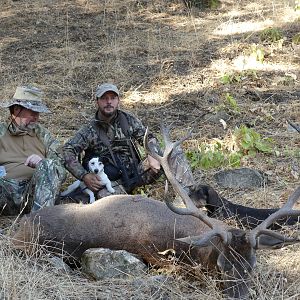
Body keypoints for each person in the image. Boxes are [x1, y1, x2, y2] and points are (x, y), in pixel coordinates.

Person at [62, 83, 163, 197]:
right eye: (104, 98)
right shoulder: (89, 130)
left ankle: (185, 195)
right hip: (110, 184)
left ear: (118, 100)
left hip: (138, 173)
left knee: (171, 153)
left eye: (113, 98)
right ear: (97, 101)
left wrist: (152, 153)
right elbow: (67, 149)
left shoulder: (128, 120)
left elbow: (149, 138)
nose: (109, 102)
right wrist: (84, 176)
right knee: (106, 202)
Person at [0, 85, 66, 215]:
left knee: (49, 165)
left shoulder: (43, 135)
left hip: (35, 195)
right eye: (32, 112)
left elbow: (61, 170)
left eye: (38, 112)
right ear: (16, 109)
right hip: (4, 193)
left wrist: (43, 163)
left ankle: (40, 224)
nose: (36, 117)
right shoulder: (1, 132)